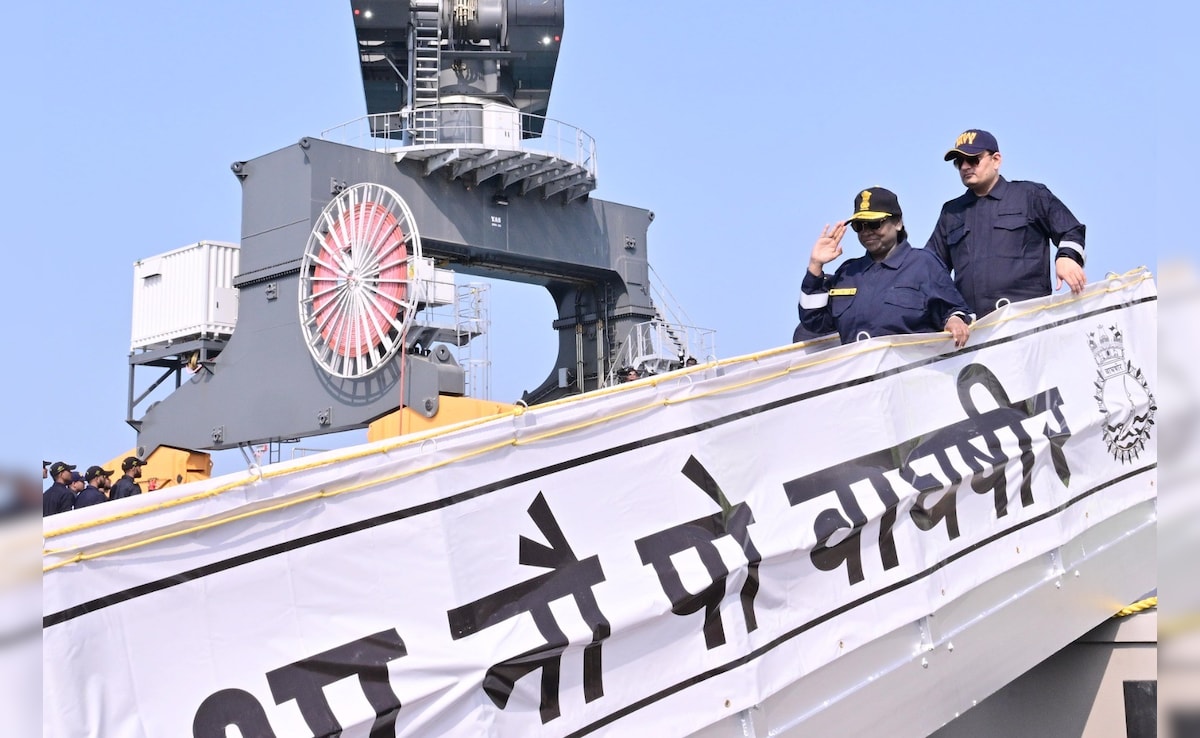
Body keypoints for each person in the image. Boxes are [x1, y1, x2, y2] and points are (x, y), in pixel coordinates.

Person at [926, 129, 1087, 317]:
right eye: (959, 162)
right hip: (974, 327)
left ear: (996, 160)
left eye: (973, 159)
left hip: (1028, 320)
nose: (964, 167)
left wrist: (1067, 257)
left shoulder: (1030, 195)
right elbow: (930, 268)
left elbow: (1071, 230)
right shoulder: (951, 212)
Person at [800, 187, 972, 347]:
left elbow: (955, 311)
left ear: (897, 223)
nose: (866, 231)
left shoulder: (923, 264)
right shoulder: (848, 272)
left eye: (875, 223)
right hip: (860, 370)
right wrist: (816, 265)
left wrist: (955, 320)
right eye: (859, 226)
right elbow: (814, 322)